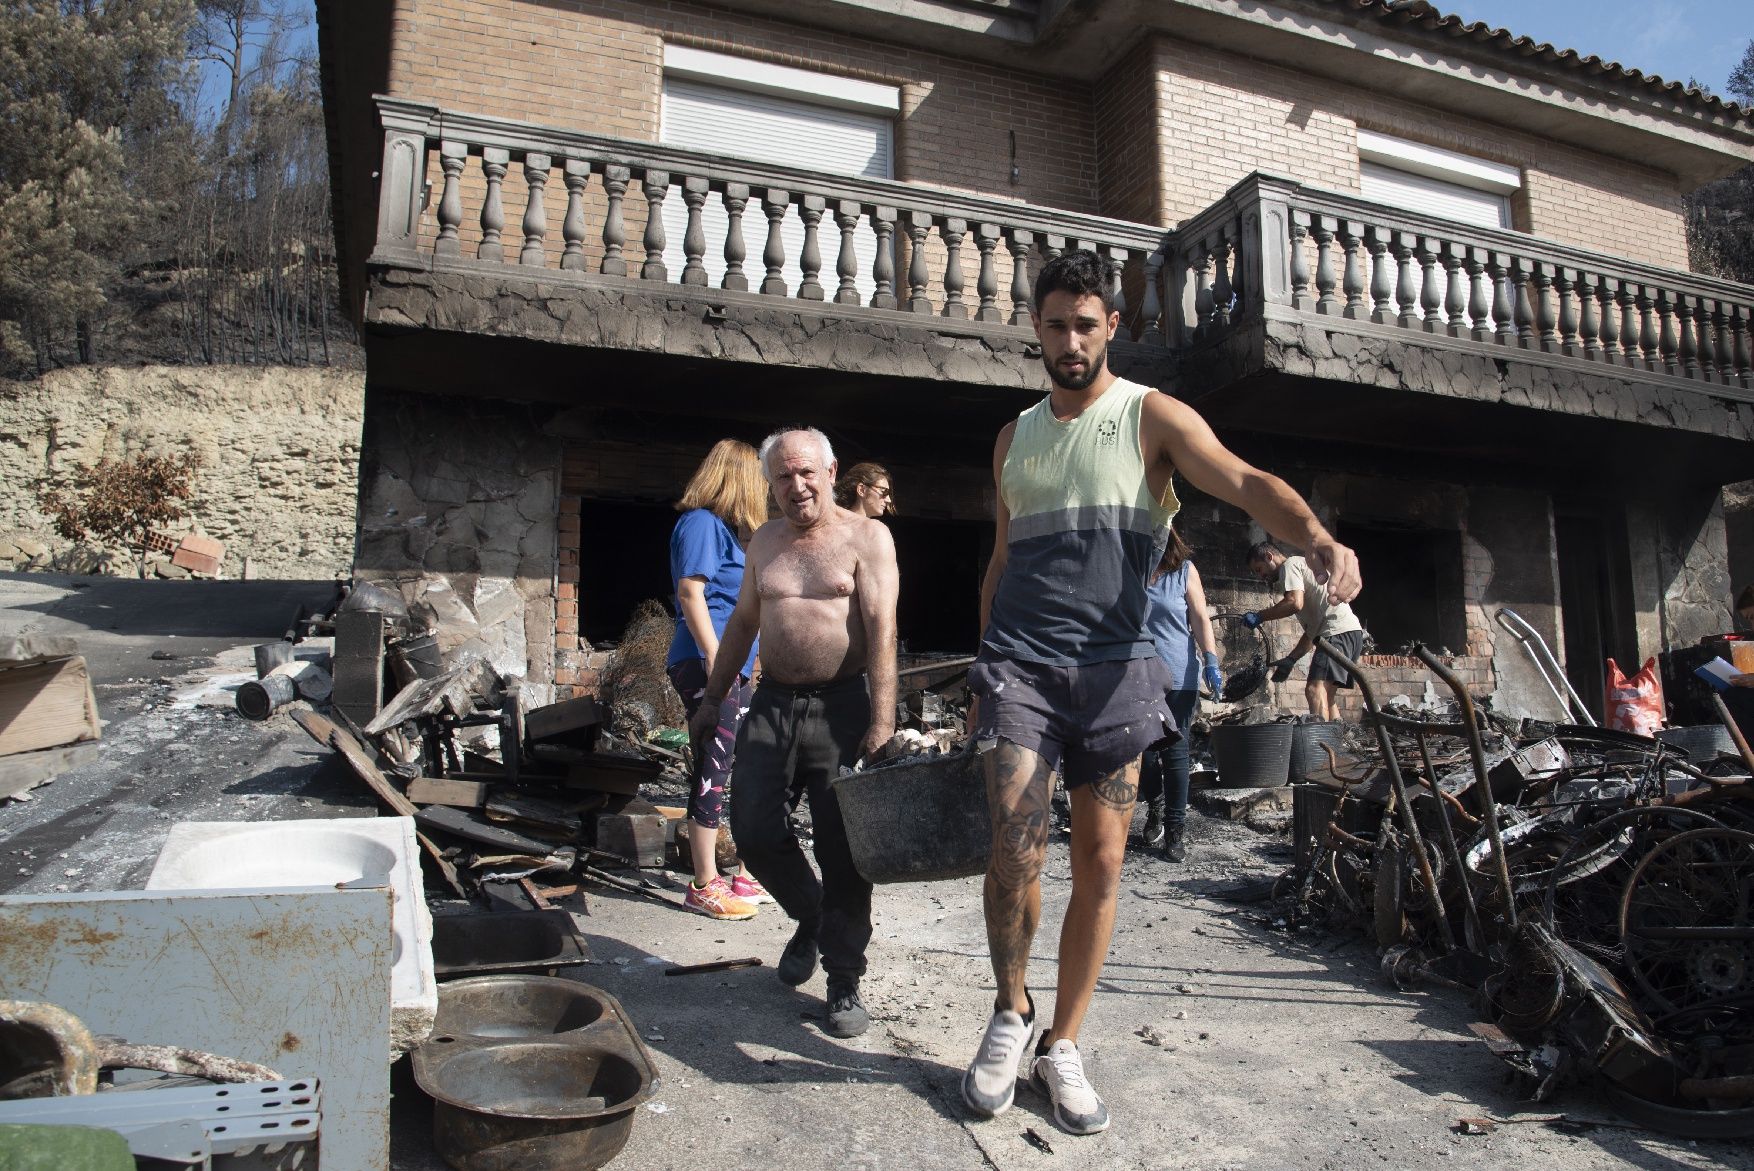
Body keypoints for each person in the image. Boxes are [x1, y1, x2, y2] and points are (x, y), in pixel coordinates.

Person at [961, 249, 1360, 1137]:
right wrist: (984, 672)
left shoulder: (1150, 417)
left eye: (1088, 324)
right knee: (1014, 850)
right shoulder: (1011, 437)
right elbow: (999, 561)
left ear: (1112, 327)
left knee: (1102, 862)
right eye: (1057, 323)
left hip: (1118, 670)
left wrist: (1317, 537)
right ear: (1038, 327)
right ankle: (1010, 1011)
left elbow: (1245, 479)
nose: (1072, 339)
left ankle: (1063, 1043)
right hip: (1023, 665)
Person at [690, 426, 900, 1039]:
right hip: (774, 704)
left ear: (833, 473)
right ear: (770, 483)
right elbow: (742, 626)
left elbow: (882, 628)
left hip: (843, 708)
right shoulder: (764, 542)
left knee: (843, 852)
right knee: (753, 829)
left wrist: (883, 719)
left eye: (807, 472)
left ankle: (843, 981)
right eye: (783, 476)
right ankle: (810, 918)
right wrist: (712, 701)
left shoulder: (869, 537)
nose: (796, 485)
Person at [665, 439, 773, 920]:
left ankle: (741, 876)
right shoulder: (702, 524)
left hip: (732, 665)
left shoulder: (724, 532)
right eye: (759, 478)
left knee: (748, 762)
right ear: (740, 478)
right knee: (716, 762)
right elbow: (691, 591)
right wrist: (716, 658)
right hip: (706, 662)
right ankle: (704, 884)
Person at [1137, 529, 1222, 862]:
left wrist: (1211, 660)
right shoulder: (1131, 568)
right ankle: (1155, 805)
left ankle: (1175, 832)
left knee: (1175, 754)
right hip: (1139, 676)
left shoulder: (1185, 570)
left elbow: (1200, 617)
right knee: (1143, 753)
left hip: (1179, 674)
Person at [1242, 542, 1366, 722]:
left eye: (1259, 569)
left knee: (1314, 689)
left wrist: (1259, 616)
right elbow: (1312, 633)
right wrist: (1291, 659)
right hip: (1350, 633)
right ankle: (1338, 743)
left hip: (1336, 632)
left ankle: (1318, 745)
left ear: (1270, 557)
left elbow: (1294, 603)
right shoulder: (1303, 568)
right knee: (1327, 696)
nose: (1261, 576)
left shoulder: (1290, 565)